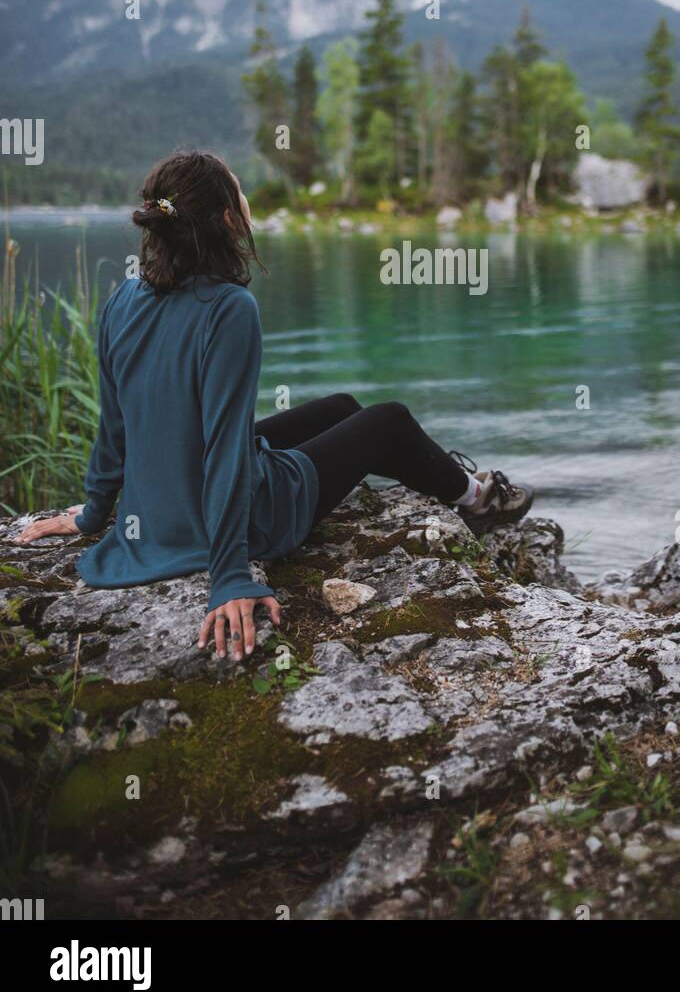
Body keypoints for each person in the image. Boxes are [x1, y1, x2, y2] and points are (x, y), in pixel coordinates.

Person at [13, 150, 533, 662]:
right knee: (389, 420)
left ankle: (449, 480)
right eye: (239, 193)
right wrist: (230, 574)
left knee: (342, 407)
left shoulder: (123, 298)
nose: (247, 200)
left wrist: (96, 513)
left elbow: (115, 425)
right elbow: (222, 451)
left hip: (158, 509)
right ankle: (477, 498)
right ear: (225, 219)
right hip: (242, 520)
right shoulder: (229, 308)